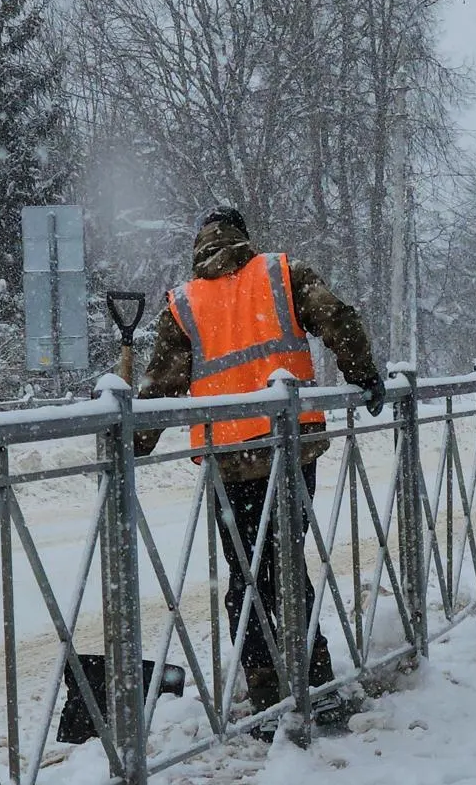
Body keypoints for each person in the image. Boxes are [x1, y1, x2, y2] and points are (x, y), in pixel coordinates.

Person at [134, 205, 386, 739]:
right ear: (243, 239)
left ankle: (265, 689)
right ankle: (315, 682)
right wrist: (365, 376)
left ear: (200, 246)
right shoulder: (280, 273)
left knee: (246, 573)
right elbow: (336, 316)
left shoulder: (184, 303)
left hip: (227, 460)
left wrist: (132, 442)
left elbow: (159, 385)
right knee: (286, 560)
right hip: (286, 447)